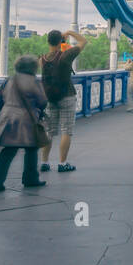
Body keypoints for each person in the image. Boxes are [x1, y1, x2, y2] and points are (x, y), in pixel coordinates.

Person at [0, 54, 48, 190]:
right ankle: (30, 179)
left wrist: (4, 108)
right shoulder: (34, 81)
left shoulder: (9, 80)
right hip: (27, 119)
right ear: (33, 67)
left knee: (8, 150)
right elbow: (42, 101)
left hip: (8, 118)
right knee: (31, 149)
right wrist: (38, 111)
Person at [39, 29, 85, 173]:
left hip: (49, 98)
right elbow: (84, 42)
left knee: (49, 131)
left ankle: (44, 162)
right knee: (66, 131)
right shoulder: (66, 55)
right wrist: (70, 33)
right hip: (67, 96)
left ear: (48, 42)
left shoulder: (42, 59)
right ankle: (62, 163)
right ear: (61, 41)